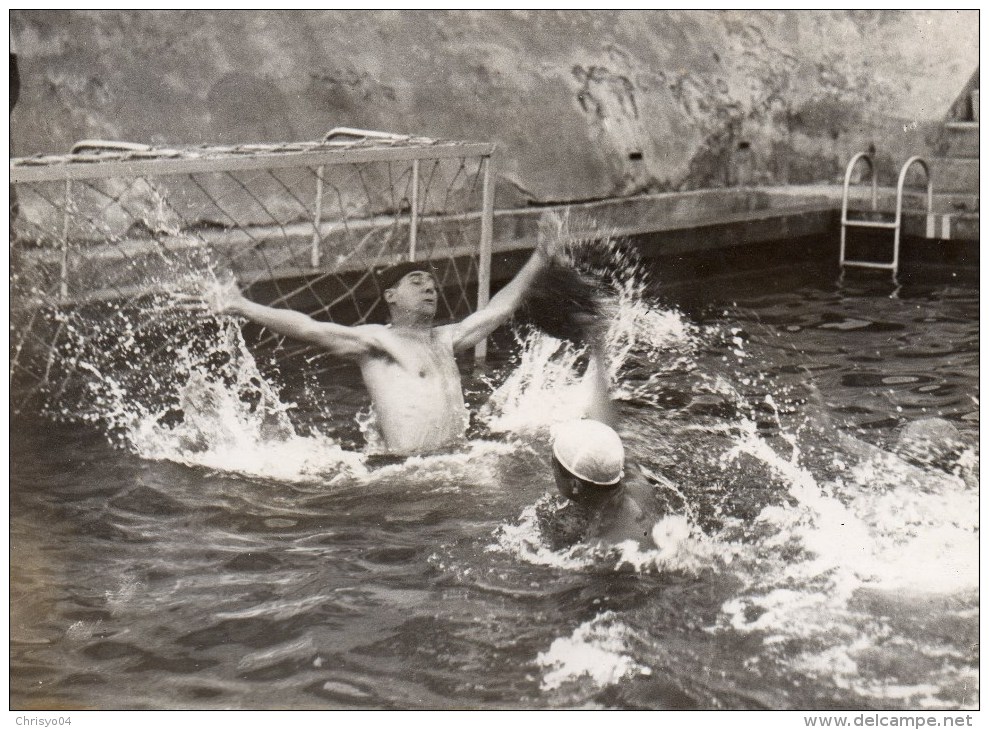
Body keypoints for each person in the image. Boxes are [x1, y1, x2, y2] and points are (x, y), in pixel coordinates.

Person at [200, 235, 562, 455]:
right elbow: (309, 327)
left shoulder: (446, 339)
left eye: (432, 285)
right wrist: (242, 306)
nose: (429, 289)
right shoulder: (378, 340)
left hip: (458, 462)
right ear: (391, 295)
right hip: (408, 472)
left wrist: (540, 258)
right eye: (417, 282)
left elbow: (498, 309)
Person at [547, 337, 660, 548]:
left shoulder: (579, 535)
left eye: (554, 462)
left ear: (575, 485)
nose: (551, 465)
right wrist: (598, 351)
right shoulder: (639, 487)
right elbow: (604, 436)